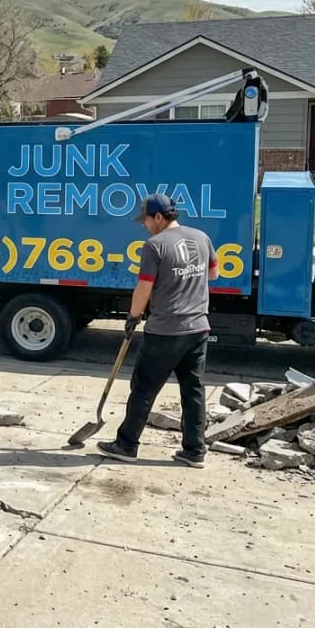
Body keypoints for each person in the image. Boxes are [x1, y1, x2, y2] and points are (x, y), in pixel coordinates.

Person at [96, 193, 218, 469]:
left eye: (146, 220)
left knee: (144, 388)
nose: (144, 225)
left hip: (166, 330)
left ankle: (126, 445)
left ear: (159, 218)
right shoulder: (201, 236)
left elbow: (144, 288)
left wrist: (133, 316)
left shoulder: (154, 246)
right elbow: (213, 274)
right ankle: (194, 450)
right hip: (198, 328)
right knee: (193, 390)